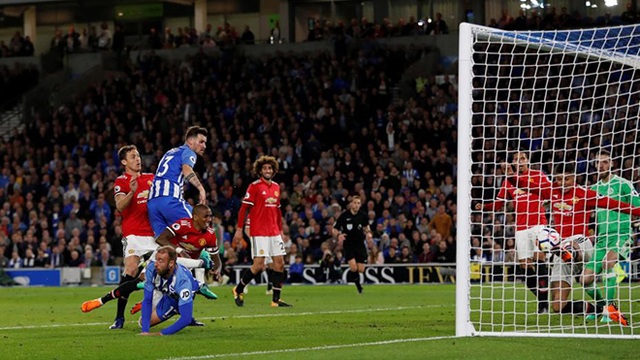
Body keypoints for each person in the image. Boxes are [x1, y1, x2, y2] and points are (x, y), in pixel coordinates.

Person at [509, 162, 640, 326]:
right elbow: (527, 185)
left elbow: (615, 204)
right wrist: (510, 175)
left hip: (581, 242)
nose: (563, 183)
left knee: (569, 246)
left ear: (575, 178)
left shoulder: (584, 193)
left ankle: (563, 251)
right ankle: (597, 308)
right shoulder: (552, 191)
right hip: (560, 247)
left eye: (567, 179)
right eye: (559, 179)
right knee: (557, 306)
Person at [81, 204, 221, 315]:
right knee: (139, 282)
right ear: (195, 217)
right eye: (206, 216)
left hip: (182, 267)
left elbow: (216, 258)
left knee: (182, 291)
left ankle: (179, 310)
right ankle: (101, 301)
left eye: (210, 216)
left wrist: (217, 269)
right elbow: (160, 238)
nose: (209, 219)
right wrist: (178, 250)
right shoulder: (183, 225)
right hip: (164, 258)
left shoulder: (210, 235)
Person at [476, 151, 552, 313]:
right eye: (516, 159)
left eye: (523, 158)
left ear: (528, 161)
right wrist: (484, 206)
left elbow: (551, 193)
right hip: (521, 228)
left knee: (539, 259)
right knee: (525, 268)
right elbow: (498, 204)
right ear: (513, 163)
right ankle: (542, 298)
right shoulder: (508, 182)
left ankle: (543, 303)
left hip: (539, 224)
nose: (520, 161)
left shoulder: (538, 175)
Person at [101, 145, 156, 330]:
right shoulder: (121, 181)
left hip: (154, 235)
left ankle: (184, 312)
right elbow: (120, 206)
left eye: (138, 155)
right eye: (133, 156)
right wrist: (132, 192)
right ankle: (119, 317)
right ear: (124, 162)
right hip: (133, 234)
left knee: (162, 272)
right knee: (131, 269)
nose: (138, 159)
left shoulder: (151, 179)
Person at [584, 150, 639, 323]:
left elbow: (637, 205)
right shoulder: (594, 189)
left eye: (605, 162)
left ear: (612, 163)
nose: (601, 165)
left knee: (607, 263)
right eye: (598, 162)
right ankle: (601, 308)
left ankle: (610, 308)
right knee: (585, 279)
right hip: (601, 239)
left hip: (621, 235)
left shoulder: (623, 184)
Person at [232, 155, 292, 307]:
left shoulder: (277, 187)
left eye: (270, 168)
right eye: (264, 168)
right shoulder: (254, 186)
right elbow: (243, 209)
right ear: (259, 170)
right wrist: (239, 230)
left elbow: (278, 212)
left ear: (273, 170)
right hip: (259, 231)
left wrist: (280, 230)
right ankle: (238, 289)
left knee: (279, 263)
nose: (267, 170)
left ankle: (276, 300)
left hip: (274, 231)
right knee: (259, 265)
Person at [147, 126, 208, 237]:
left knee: (164, 242)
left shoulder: (171, 152)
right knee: (199, 224)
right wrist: (201, 188)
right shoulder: (189, 152)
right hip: (169, 200)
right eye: (201, 142)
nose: (204, 146)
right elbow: (186, 169)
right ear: (190, 141)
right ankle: (205, 255)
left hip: (152, 203)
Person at [139, 246, 202, 335]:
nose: (156, 264)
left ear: (171, 263)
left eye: (160, 261)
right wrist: (145, 331)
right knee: (143, 322)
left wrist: (160, 333)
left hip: (177, 297)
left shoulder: (182, 282)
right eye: (156, 259)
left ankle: (199, 287)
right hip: (167, 293)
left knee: (184, 311)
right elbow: (147, 300)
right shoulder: (151, 269)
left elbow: (186, 319)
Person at [332, 195, 373, 293]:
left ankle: (354, 280)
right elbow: (334, 229)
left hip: (359, 244)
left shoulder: (363, 215)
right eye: (354, 203)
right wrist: (338, 235)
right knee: (353, 267)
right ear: (351, 204)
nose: (356, 205)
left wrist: (368, 234)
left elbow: (367, 227)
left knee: (361, 269)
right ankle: (359, 287)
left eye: (358, 203)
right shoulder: (344, 216)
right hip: (348, 244)